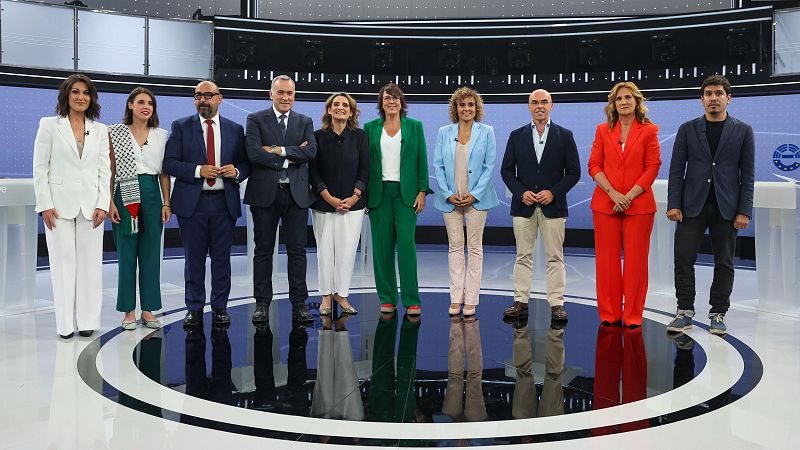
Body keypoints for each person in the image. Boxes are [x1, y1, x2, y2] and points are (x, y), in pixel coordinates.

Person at [665, 75, 755, 336]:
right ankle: (684, 312)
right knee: (683, 258)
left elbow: (747, 175)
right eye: (708, 94)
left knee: (724, 262)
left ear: (728, 98)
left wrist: (744, 210)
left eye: (718, 93)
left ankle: (718, 313)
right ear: (701, 99)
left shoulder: (743, 130)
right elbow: (675, 170)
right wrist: (674, 203)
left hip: (726, 208)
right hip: (691, 206)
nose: (713, 98)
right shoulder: (687, 129)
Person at [163, 80, 250, 328]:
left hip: (225, 203)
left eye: (208, 95)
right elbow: (170, 163)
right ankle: (194, 308)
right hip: (193, 204)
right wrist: (200, 170)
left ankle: (220, 307)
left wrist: (236, 171)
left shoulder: (235, 129)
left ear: (219, 98)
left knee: (222, 259)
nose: (203, 99)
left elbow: (245, 165)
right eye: (198, 95)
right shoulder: (180, 127)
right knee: (194, 259)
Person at [33, 73, 110, 339]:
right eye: (75, 92)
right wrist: (44, 204)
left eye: (86, 93)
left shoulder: (100, 130)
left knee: (90, 266)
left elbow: (104, 170)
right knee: (63, 267)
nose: (81, 97)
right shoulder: (49, 125)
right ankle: (65, 325)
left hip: (91, 207)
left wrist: (102, 203)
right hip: (58, 207)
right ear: (66, 95)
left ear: (92, 98)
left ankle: (88, 321)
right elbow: (40, 168)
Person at [500, 89, 581, 322]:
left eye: (544, 102)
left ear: (551, 105)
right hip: (523, 206)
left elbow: (574, 172)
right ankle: (520, 301)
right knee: (522, 255)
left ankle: (557, 304)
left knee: (555, 256)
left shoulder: (565, 135)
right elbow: (506, 171)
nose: (539, 106)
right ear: (529, 106)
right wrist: (521, 192)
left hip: (553, 207)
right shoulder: (516, 136)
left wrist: (553, 192)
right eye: (535, 102)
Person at [588, 81, 661, 328]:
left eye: (629, 97)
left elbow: (653, 166)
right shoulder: (601, 130)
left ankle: (632, 315)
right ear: (613, 104)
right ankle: (609, 313)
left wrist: (628, 195)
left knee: (635, 263)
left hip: (639, 205)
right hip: (605, 203)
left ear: (637, 101)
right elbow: (594, 166)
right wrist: (613, 194)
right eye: (619, 99)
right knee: (606, 262)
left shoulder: (649, 131)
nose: (624, 102)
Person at [244, 75, 317, 324]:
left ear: (294, 96)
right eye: (281, 93)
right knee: (263, 251)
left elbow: (311, 151)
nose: (286, 97)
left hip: (296, 195)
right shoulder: (255, 119)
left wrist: (276, 150)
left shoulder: (305, 121)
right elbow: (253, 153)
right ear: (271, 94)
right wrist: (292, 156)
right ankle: (262, 303)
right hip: (264, 195)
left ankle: (299, 304)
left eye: (290, 93)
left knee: (297, 251)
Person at [364, 83, 432, 316]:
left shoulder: (414, 127)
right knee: (381, 249)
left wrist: (423, 191)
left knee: (406, 246)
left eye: (395, 98)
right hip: (378, 194)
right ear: (381, 104)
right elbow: (365, 164)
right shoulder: (370, 128)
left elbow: (421, 160)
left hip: (407, 196)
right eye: (386, 99)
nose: (391, 102)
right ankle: (387, 299)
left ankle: (412, 299)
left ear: (401, 103)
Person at [107, 87, 171, 330]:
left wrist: (167, 202)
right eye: (141, 102)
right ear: (130, 105)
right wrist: (110, 202)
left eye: (150, 103)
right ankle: (128, 311)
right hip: (124, 195)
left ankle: (149, 309)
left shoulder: (161, 135)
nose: (146, 106)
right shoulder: (115, 133)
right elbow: (110, 171)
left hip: (153, 193)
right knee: (126, 255)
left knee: (151, 255)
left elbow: (165, 173)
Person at [433, 87, 499, 317]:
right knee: (455, 247)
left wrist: (475, 194)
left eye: (471, 105)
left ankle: (471, 299)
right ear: (456, 108)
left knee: (475, 248)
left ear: (477, 108)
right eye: (462, 105)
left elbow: (489, 166)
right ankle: (455, 298)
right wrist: (448, 192)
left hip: (477, 200)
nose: (467, 109)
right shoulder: (444, 132)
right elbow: (438, 165)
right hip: (450, 199)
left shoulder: (487, 131)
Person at [309, 92, 369, 316]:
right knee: (325, 250)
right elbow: (313, 172)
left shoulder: (361, 136)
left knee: (346, 251)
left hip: (353, 204)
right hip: (324, 203)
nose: (340, 108)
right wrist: (328, 198)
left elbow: (365, 168)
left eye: (345, 105)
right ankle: (326, 295)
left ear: (351, 112)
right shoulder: (317, 136)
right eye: (336, 104)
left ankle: (341, 294)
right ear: (329, 110)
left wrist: (355, 196)